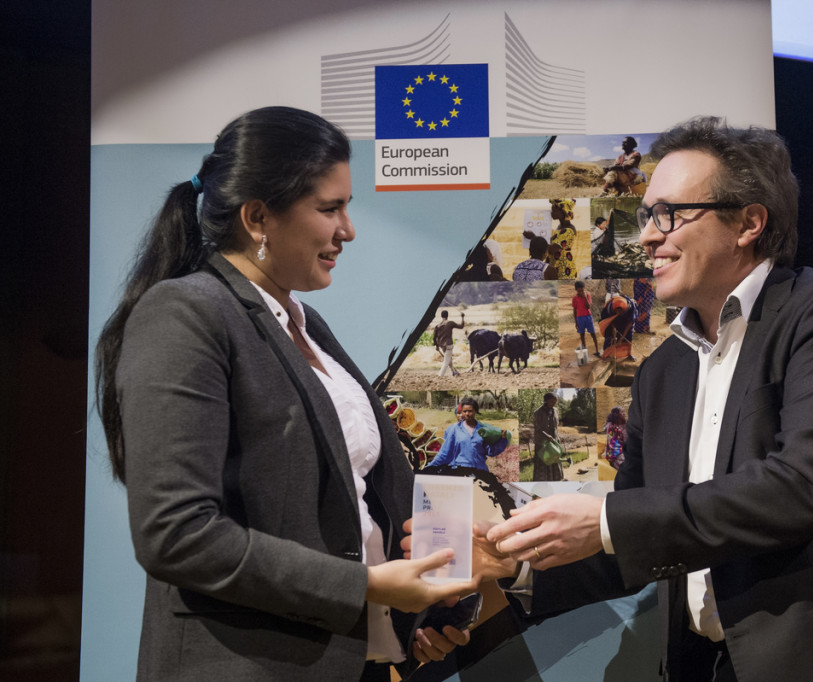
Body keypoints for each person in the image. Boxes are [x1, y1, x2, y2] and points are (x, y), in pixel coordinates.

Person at [482, 116, 813, 681]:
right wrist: (517, 563)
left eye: (668, 214)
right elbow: (643, 538)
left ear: (748, 223)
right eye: (646, 217)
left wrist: (609, 519)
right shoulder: (661, 372)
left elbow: (803, 487)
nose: (645, 236)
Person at [93, 107, 476, 681]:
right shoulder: (186, 313)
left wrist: (413, 611)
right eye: (330, 209)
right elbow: (175, 535)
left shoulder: (306, 323)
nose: (348, 230)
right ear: (257, 218)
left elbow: (345, 506)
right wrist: (366, 587)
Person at [426, 398, 508, 470]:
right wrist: (429, 468)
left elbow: (491, 451)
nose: (467, 414)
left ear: (475, 411)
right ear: (461, 412)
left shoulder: (483, 430)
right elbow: (444, 454)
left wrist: (502, 441)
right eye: (464, 411)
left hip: (480, 472)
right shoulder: (455, 430)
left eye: (470, 411)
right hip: (461, 473)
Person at [531, 392, 563, 482]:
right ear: (546, 400)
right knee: (543, 461)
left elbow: (556, 426)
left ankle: (555, 479)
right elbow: (537, 428)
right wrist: (546, 435)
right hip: (542, 442)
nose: (554, 403)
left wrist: (558, 437)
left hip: (553, 441)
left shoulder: (556, 411)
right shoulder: (538, 412)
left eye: (555, 401)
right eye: (552, 401)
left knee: (554, 459)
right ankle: (543, 480)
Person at [599, 294, 637, 360]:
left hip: (626, 320)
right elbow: (609, 321)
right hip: (612, 321)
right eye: (617, 311)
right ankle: (607, 355)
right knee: (609, 337)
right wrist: (614, 331)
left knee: (629, 336)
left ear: (624, 309)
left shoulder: (630, 308)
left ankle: (629, 354)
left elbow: (630, 323)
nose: (618, 313)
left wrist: (622, 338)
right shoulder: (609, 308)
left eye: (620, 311)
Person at [547, 198, 578, 279]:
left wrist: (534, 239)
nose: (552, 213)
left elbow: (553, 249)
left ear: (563, 211)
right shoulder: (559, 228)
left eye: (554, 211)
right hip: (556, 267)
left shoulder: (569, 230)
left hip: (564, 269)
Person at [433, 309, 465, 377]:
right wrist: (462, 317)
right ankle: (440, 376)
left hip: (442, 346)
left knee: (448, 359)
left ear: (441, 316)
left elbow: (434, 338)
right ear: (447, 316)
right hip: (448, 345)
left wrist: (436, 346)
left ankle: (454, 372)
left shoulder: (437, 326)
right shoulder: (450, 323)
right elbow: (461, 326)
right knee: (446, 362)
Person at [571, 280, 599, 355]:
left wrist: (585, 297)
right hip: (579, 318)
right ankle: (584, 352)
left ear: (584, 289)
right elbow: (574, 310)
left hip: (588, 317)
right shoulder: (574, 298)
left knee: (593, 334)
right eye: (579, 291)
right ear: (576, 290)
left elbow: (588, 306)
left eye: (582, 290)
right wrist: (576, 322)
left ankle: (597, 351)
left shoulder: (587, 295)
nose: (580, 292)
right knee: (582, 335)